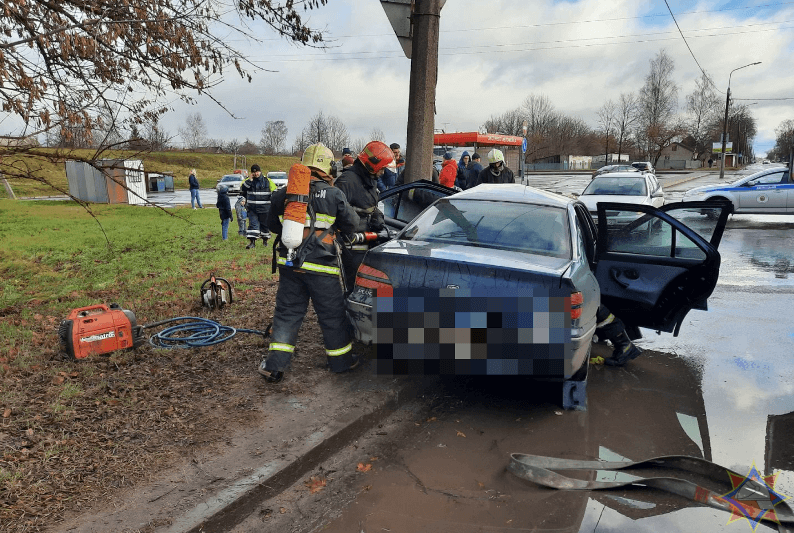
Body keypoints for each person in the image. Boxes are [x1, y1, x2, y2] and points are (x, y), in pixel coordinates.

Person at [259, 144, 359, 383]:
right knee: (332, 315)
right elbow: (352, 224)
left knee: (287, 313)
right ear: (328, 167)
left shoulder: (283, 194)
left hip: (290, 263)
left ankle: (275, 366)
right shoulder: (333, 194)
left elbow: (271, 225)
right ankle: (341, 362)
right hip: (322, 266)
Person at [335, 140, 394, 295]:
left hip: (366, 244)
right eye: (382, 168)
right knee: (354, 288)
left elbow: (369, 206)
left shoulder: (369, 179)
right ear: (372, 164)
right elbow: (338, 213)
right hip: (351, 248)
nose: (383, 172)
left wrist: (378, 218)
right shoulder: (347, 181)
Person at [241, 164, 277, 249]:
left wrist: (273, 204)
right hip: (252, 209)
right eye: (254, 172)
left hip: (265, 209)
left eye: (257, 172)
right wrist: (250, 180)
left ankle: (265, 241)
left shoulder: (268, 181)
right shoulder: (247, 181)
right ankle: (252, 243)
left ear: (260, 171)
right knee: (253, 225)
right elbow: (243, 189)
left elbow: (275, 192)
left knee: (265, 226)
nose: (256, 174)